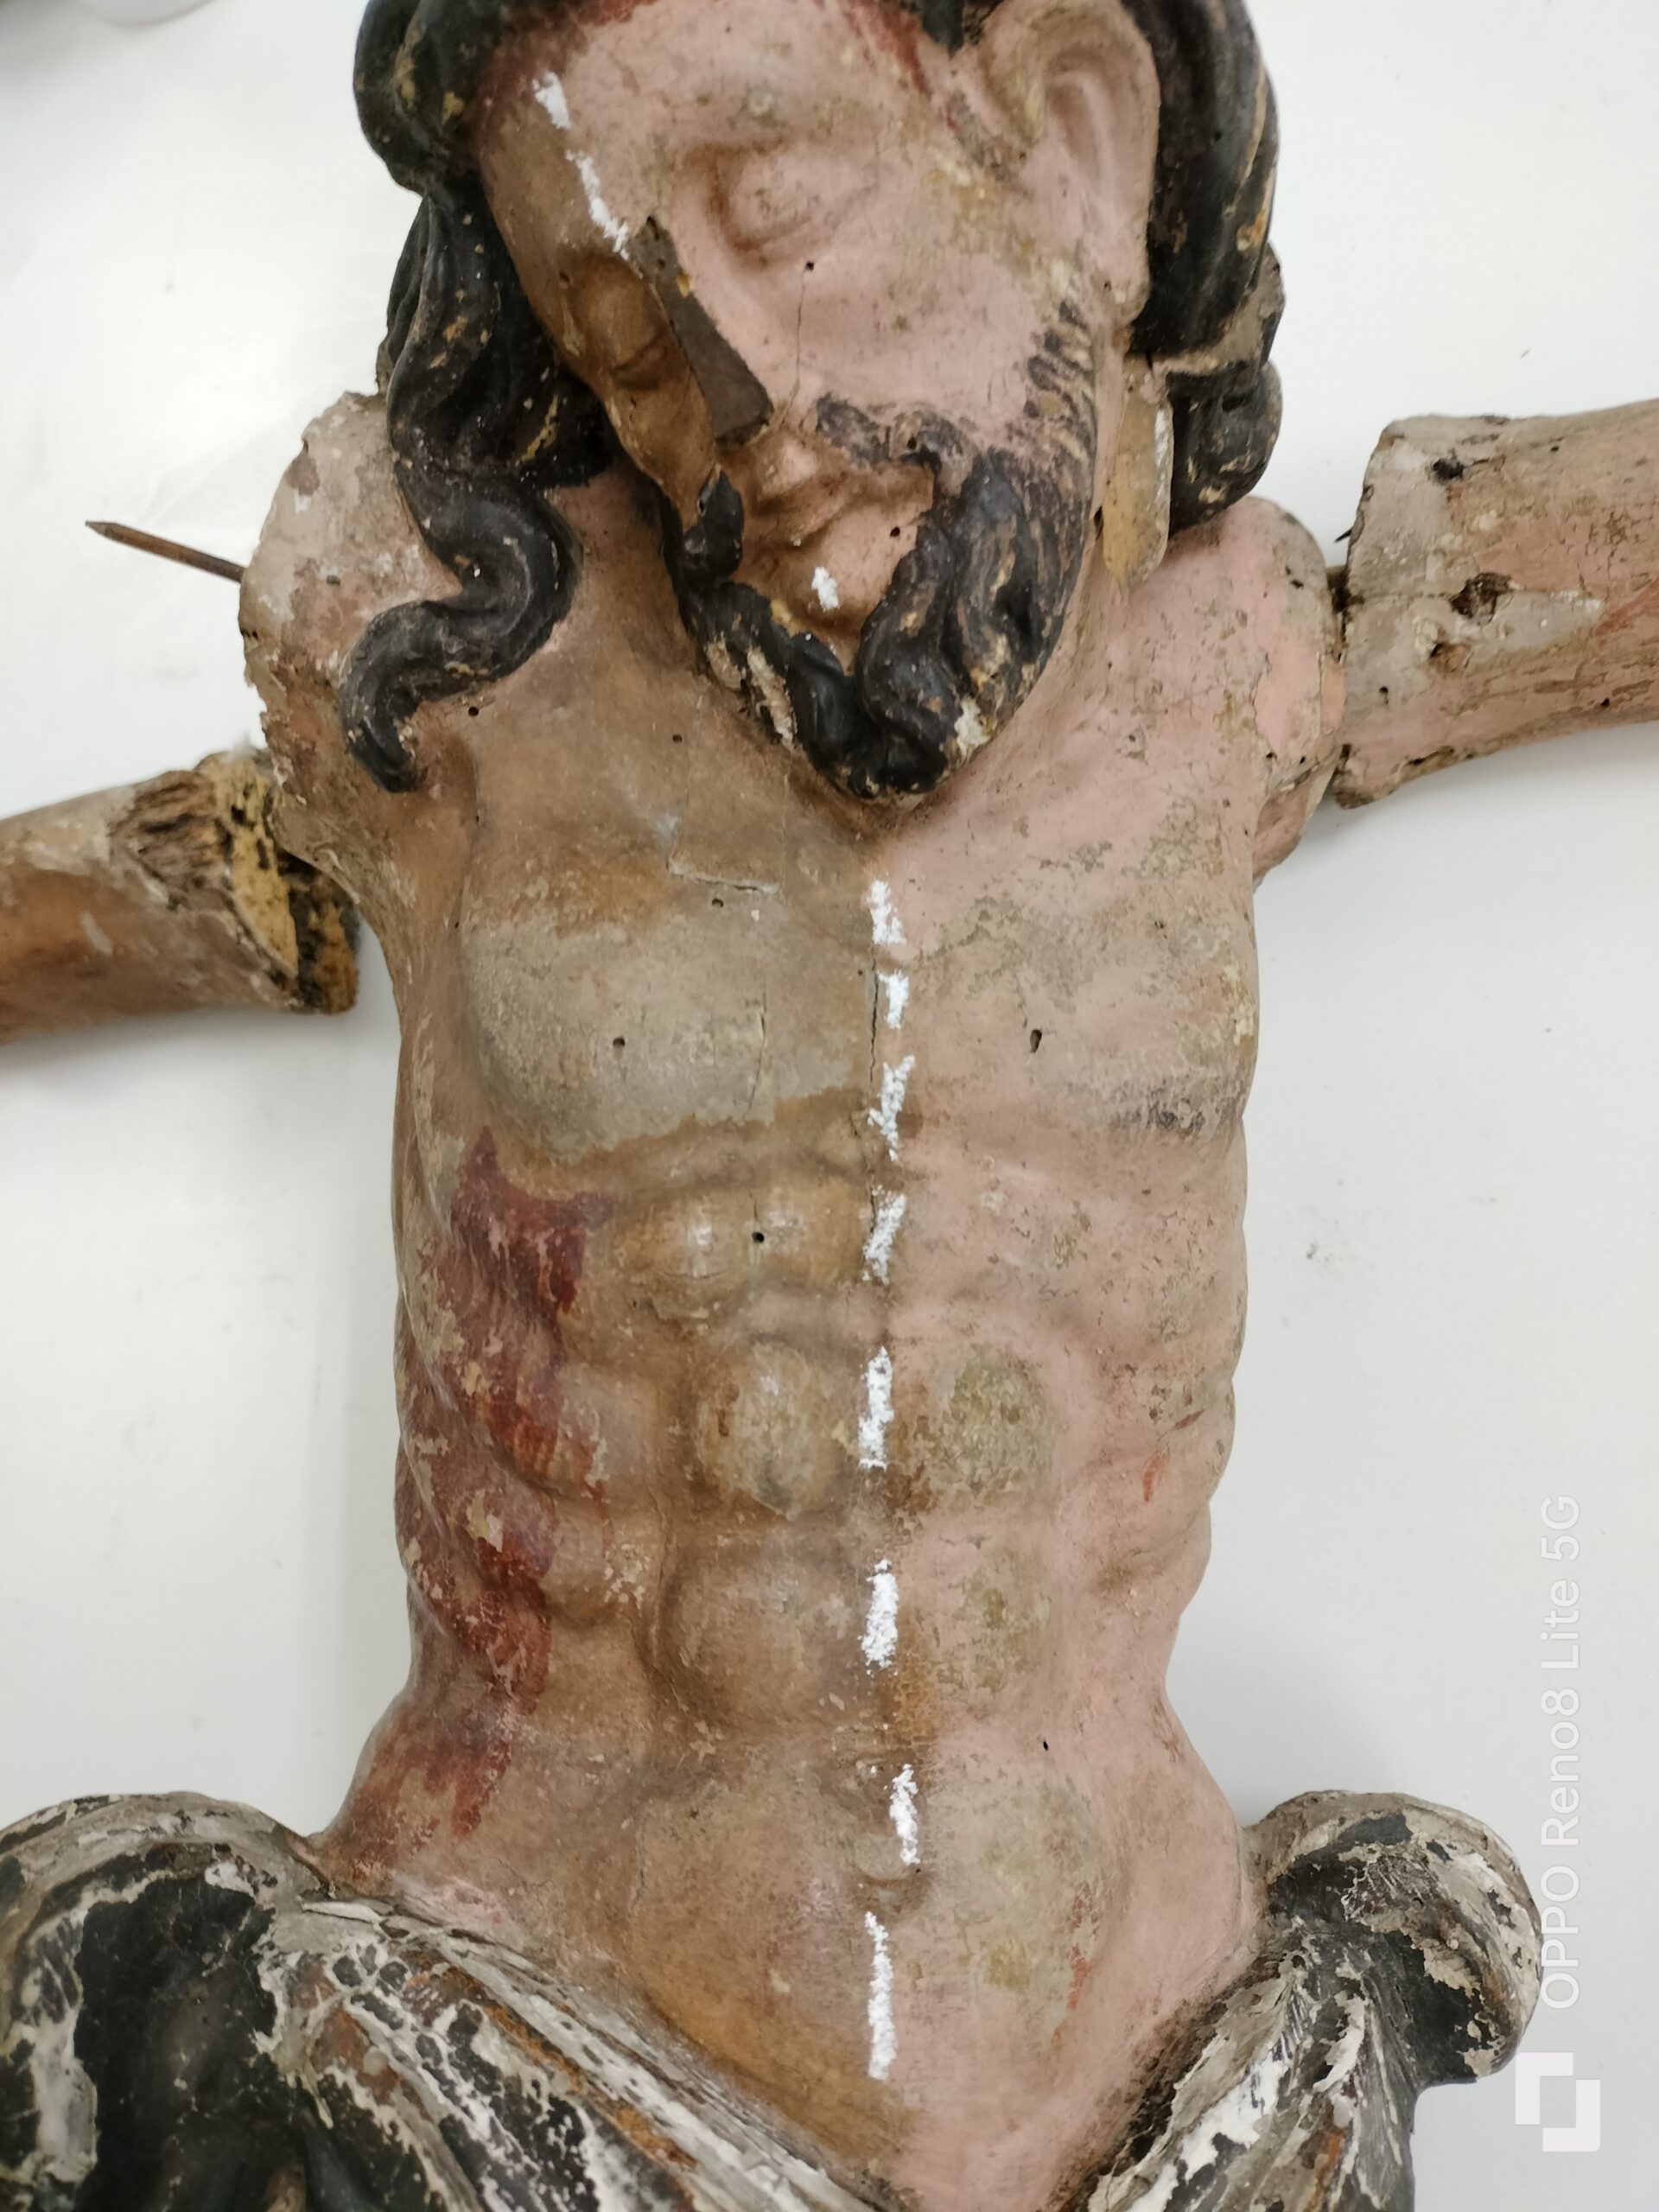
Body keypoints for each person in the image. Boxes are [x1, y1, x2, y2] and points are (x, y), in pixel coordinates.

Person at [3, 2, 1655, 2204]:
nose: (747, 407)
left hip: (1158, 2072)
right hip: (524, 2052)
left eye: (781, 210)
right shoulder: (421, 657)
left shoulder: (1251, 651)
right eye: (622, 340)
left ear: (1074, 132)